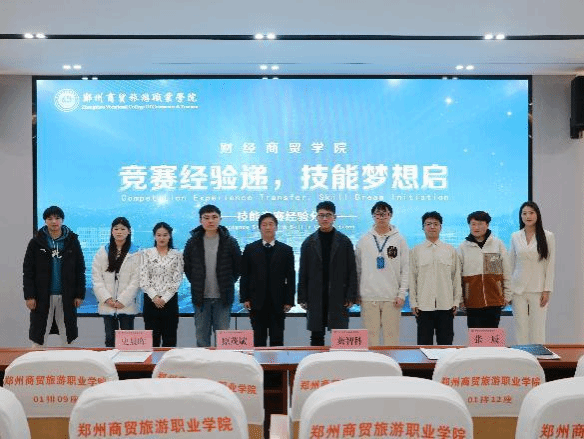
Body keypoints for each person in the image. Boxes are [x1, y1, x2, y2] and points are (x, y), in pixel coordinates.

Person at [23, 206, 85, 346]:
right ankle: (36, 360)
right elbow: (28, 271)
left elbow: (80, 270)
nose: (54, 221)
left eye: (57, 218)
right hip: (42, 296)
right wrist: (29, 296)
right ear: (45, 221)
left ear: (62, 220)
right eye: (50, 218)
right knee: (39, 336)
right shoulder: (36, 242)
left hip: (67, 295)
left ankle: (69, 360)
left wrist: (79, 295)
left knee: (68, 336)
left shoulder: (72, 241)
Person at [298, 201, 358, 346]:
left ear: (334, 217)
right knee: (316, 337)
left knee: (340, 338)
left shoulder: (344, 241)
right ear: (317, 217)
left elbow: (352, 270)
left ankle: (338, 361)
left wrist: (351, 295)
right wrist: (302, 297)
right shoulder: (308, 242)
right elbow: (303, 272)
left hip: (339, 295)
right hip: (315, 295)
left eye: (328, 215)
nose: (324, 218)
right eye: (321, 215)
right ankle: (316, 361)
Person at [183, 205, 241, 347]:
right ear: (200, 220)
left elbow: (237, 268)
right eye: (206, 218)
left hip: (223, 298)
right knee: (202, 338)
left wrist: (227, 282)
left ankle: (222, 362)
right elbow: (188, 268)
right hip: (201, 299)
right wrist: (197, 283)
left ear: (220, 219)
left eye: (214, 217)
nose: (210, 221)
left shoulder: (230, 241)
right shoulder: (192, 242)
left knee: (223, 338)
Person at [355, 201, 408, 346]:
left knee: (391, 339)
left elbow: (406, 269)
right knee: (370, 340)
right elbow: (357, 269)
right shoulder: (364, 239)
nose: (381, 217)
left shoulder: (399, 239)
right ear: (373, 216)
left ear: (390, 215)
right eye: (378, 214)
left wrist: (402, 294)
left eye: (385, 214)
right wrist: (357, 293)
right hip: (368, 297)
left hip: (392, 297)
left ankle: (391, 362)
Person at [240, 213, 295, 347]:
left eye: (271, 224)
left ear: (276, 227)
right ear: (259, 228)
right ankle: (259, 362)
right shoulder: (250, 249)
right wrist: (245, 298)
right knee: (258, 340)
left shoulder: (286, 250)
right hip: (256, 302)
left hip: (278, 302)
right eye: (264, 225)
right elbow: (245, 275)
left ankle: (277, 362)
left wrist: (289, 300)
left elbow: (291, 278)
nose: (268, 227)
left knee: (277, 339)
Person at [409, 211, 462, 345]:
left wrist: (456, 301)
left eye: (435, 224)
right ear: (423, 227)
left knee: (446, 344)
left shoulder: (450, 250)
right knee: (424, 344)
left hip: (446, 305)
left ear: (440, 227)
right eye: (428, 224)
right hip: (423, 306)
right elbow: (412, 278)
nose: (432, 227)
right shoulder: (416, 251)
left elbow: (456, 277)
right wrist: (413, 302)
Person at [509, 201, 555, 344]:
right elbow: (511, 264)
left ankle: (538, 355)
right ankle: (522, 355)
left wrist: (547, 290)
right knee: (520, 327)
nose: (528, 216)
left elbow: (550, 265)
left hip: (538, 289)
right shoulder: (515, 236)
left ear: (537, 215)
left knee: (538, 327)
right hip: (517, 289)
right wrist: (508, 290)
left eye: (531, 213)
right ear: (520, 216)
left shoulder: (548, 236)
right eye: (524, 213)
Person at [92, 217, 141, 347]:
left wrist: (123, 300)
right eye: (116, 229)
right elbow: (96, 278)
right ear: (111, 231)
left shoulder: (137, 253)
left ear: (129, 231)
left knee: (127, 340)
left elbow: (136, 280)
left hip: (127, 305)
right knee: (110, 339)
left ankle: (128, 360)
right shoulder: (102, 252)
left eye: (123, 229)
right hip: (107, 304)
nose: (119, 232)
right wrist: (107, 299)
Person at [458, 211, 511, 328]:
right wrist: (460, 299)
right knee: (476, 335)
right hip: (472, 300)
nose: (476, 227)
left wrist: (507, 295)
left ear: (487, 225)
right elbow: (458, 276)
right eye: (473, 224)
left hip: (495, 299)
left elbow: (506, 271)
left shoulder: (497, 244)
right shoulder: (463, 247)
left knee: (492, 335)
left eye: (480, 224)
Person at [140, 222, 184, 347]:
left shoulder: (177, 255)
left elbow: (177, 279)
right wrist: (155, 297)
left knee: (169, 339)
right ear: (154, 236)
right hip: (151, 301)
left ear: (170, 236)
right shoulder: (146, 253)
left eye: (165, 235)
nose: (162, 238)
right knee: (152, 340)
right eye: (159, 235)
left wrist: (164, 298)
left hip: (170, 302)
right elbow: (143, 278)